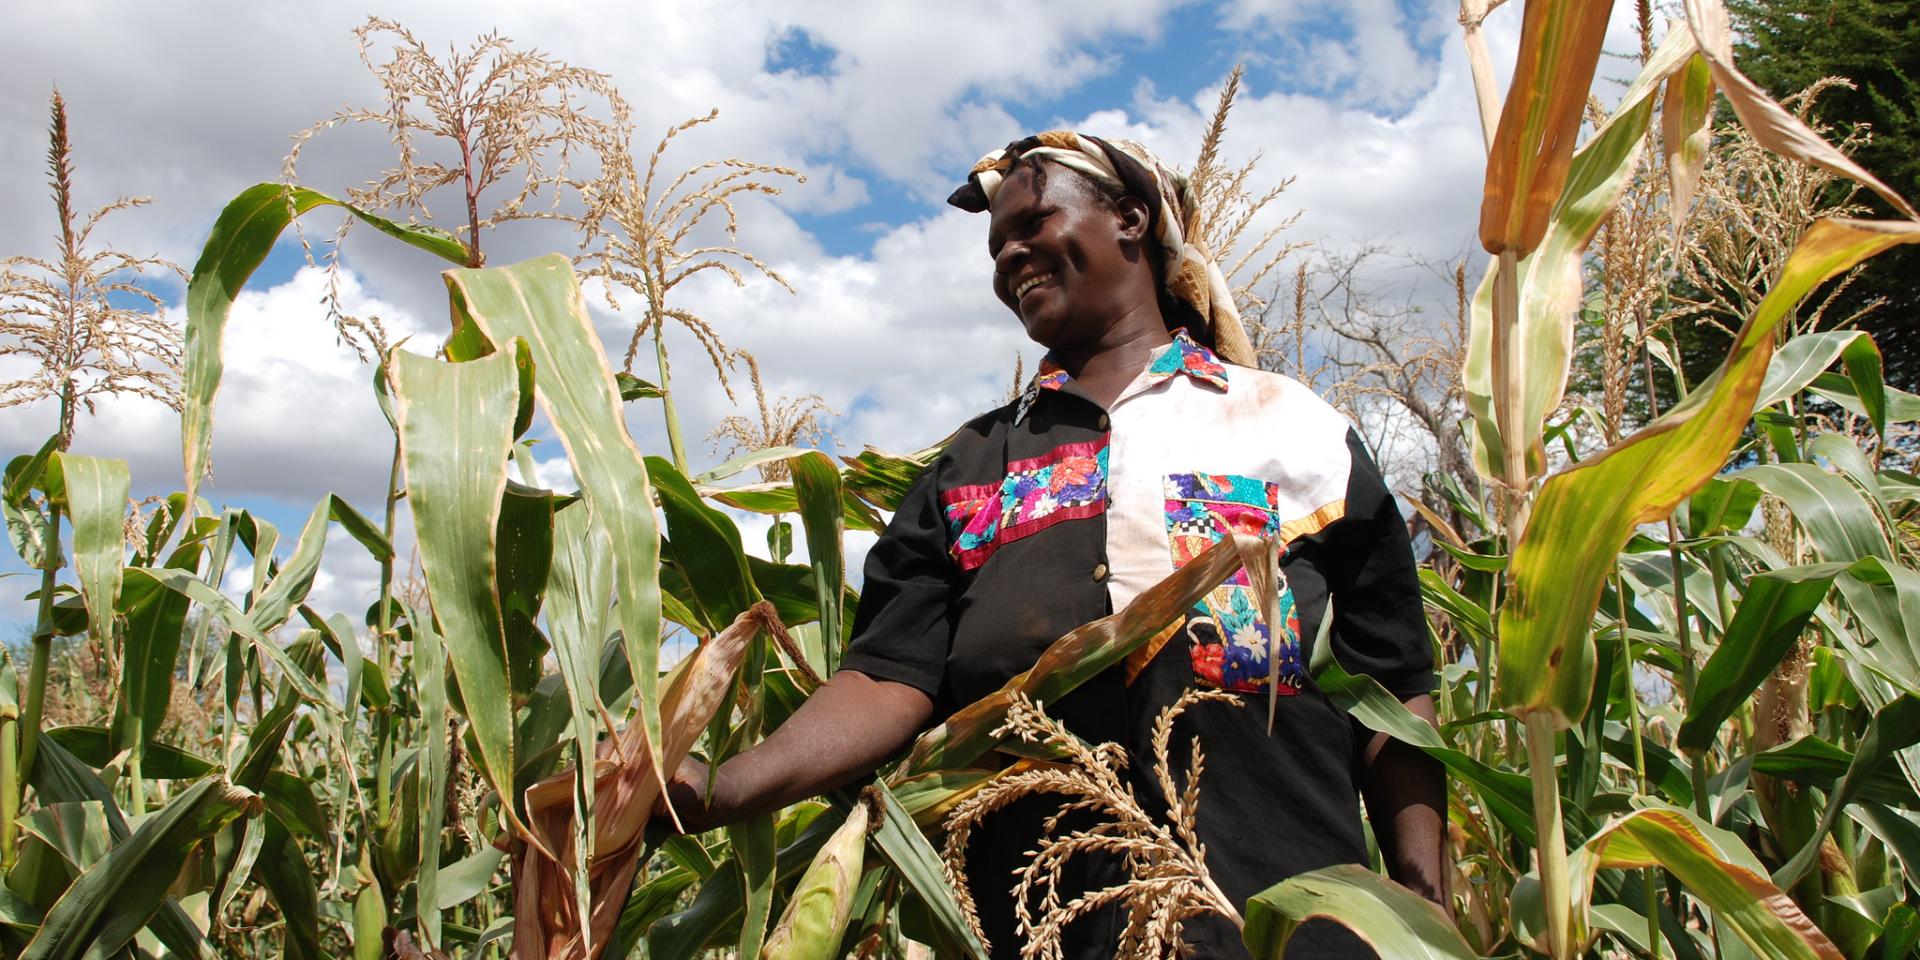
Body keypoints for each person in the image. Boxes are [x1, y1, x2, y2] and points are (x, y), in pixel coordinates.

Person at [661, 131, 1446, 958]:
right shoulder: (971, 469)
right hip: (1044, 929)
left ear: (1132, 221)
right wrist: (722, 788)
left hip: (1289, 928)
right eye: (997, 245)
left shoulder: (1294, 432)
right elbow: (889, 675)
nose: (1010, 255)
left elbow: (1390, 685)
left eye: (1032, 222)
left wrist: (1422, 902)